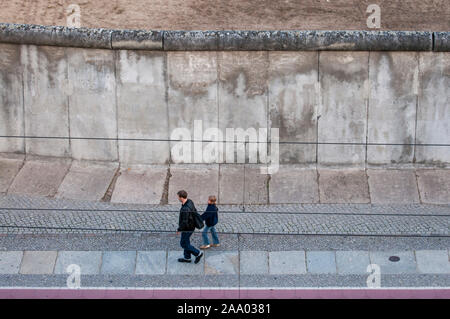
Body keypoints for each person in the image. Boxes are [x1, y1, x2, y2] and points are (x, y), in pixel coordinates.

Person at [176, 190, 203, 264]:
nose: (177, 198)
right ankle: (187, 258)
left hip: (187, 229)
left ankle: (197, 253)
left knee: (183, 243)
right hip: (191, 226)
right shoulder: (190, 201)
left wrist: (179, 229)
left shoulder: (185, 209)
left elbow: (184, 222)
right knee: (186, 242)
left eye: (178, 197)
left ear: (181, 197)